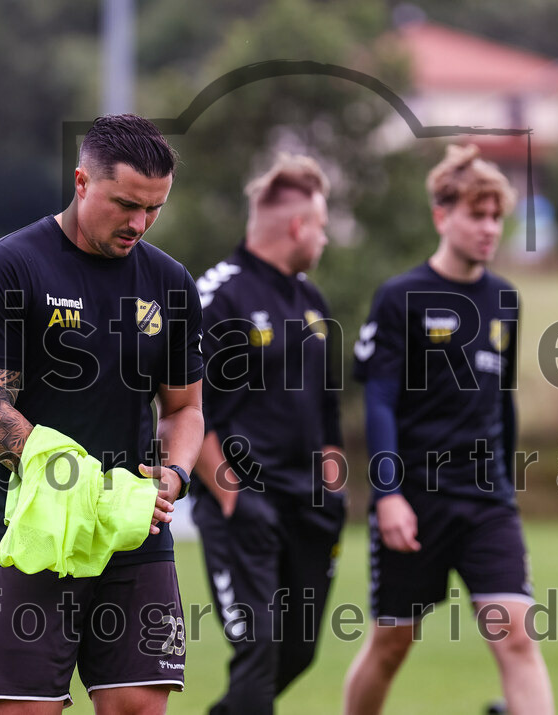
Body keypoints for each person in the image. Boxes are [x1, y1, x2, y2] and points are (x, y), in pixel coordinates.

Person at [0, 114, 204, 714]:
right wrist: (76, 482)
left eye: (154, 208)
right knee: (25, 709)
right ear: (82, 182)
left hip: (133, 534)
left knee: (137, 706)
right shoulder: (8, 266)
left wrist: (173, 476)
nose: (139, 223)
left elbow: (185, 408)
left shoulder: (170, 283)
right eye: (126, 204)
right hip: (31, 536)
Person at [343, 145, 554, 714]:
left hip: (486, 499)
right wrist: (388, 494)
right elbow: (379, 401)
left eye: (496, 217)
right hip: (415, 499)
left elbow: (502, 401)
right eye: (476, 215)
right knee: (392, 643)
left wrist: (506, 485)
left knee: (517, 634)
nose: (489, 228)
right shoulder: (400, 298)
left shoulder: (504, 299)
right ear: (442, 215)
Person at [191, 154, 347, 715]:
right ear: (299, 226)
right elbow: (186, 411)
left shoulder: (313, 302)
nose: (324, 238)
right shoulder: (218, 297)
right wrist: (234, 496)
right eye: (322, 225)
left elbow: (329, 415)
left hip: (310, 509)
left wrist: (334, 492)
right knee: (258, 651)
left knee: (297, 653)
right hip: (245, 511)